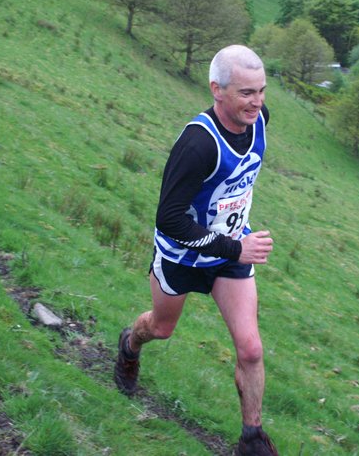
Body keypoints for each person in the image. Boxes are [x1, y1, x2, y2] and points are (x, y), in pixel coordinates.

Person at [114, 45, 278, 455]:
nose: (256, 102)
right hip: (183, 254)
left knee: (251, 349)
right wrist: (234, 247)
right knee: (160, 328)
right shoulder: (197, 145)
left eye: (261, 91)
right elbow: (169, 219)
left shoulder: (259, 120)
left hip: (231, 254)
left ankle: (252, 439)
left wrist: (234, 247)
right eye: (245, 92)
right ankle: (129, 346)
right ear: (216, 90)